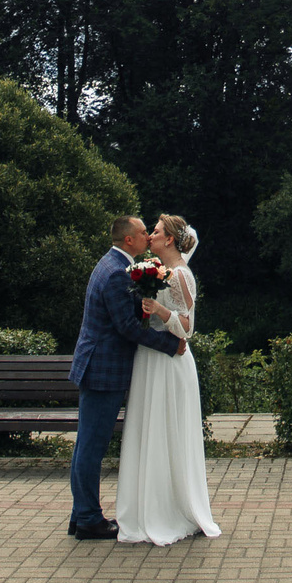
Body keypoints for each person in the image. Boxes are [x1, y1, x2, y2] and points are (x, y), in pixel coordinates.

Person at [67, 214, 183, 540]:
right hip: (104, 370)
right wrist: (170, 343)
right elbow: (128, 328)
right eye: (144, 232)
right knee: (92, 447)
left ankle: (81, 514)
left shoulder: (110, 265)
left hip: (97, 366)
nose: (148, 236)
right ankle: (88, 518)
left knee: (86, 445)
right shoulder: (117, 272)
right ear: (129, 240)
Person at [114, 214, 219, 545]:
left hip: (171, 362)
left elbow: (188, 328)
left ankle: (171, 509)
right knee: (147, 430)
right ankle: (145, 508)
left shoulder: (181, 277)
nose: (150, 236)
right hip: (149, 360)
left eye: (155, 232)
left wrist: (159, 312)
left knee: (168, 433)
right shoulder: (157, 272)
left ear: (169, 240)